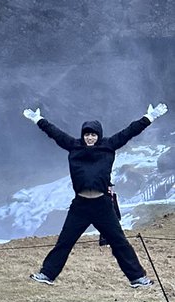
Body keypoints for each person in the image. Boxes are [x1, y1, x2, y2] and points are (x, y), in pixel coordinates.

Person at [23, 103, 168, 286]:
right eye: (86, 134)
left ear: (98, 135)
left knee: (119, 242)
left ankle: (138, 278)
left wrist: (150, 117)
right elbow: (55, 133)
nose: (89, 138)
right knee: (65, 242)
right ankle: (47, 275)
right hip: (80, 206)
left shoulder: (108, 146)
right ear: (82, 135)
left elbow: (129, 132)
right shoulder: (73, 146)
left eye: (93, 134)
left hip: (102, 205)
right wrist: (38, 119)